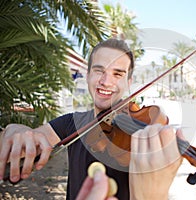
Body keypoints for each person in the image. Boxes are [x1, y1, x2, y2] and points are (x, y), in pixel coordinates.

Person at [0, 39, 183, 200]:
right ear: (87, 77)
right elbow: (34, 137)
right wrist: (15, 132)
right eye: (99, 71)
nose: (106, 81)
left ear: (128, 82)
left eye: (117, 74)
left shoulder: (144, 134)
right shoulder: (71, 123)